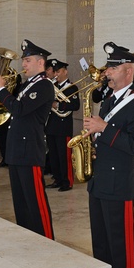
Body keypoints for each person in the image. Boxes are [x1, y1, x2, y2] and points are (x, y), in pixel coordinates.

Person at [82, 42, 134, 268]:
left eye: (113, 68)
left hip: (120, 182)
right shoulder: (110, 98)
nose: (107, 72)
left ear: (128, 70)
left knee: (121, 241)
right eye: (108, 67)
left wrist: (104, 127)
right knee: (101, 239)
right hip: (100, 178)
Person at [0, 39, 55, 238]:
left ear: (40, 63)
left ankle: (46, 240)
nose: (23, 64)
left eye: (27, 60)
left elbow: (19, 109)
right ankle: (29, 237)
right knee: (21, 201)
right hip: (17, 150)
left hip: (30, 151)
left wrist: (1, 90)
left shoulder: (44, 85)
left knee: (35, 201)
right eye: (24, 61)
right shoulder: (27, 85)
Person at [45, 58, 80, 191]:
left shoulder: (72, 87)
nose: (56, 74)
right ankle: (57, 179)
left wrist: (58, 104)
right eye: (55, 72)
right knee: (53, 155)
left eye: (58, 71)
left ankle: (67, 182)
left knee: (64, 156)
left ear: (65, 71)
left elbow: (75, 105)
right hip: (51, 125)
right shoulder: (53, 86)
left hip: (63, 126)